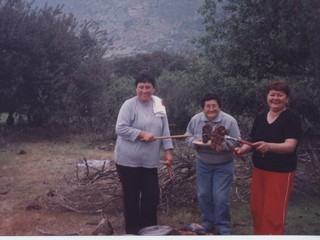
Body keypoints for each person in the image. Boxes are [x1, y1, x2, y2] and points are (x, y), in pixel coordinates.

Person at [234, 80, 302, 235]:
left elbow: (290, 146)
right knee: (257, 210)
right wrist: (243, 149)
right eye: (272, 94)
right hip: (260, 170)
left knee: (273, 215)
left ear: (287, 98)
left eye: (280, 95)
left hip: (281, 173)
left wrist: (269, 146)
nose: (275, 98)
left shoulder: (291, 118)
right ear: (267, 96)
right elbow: (252, 138)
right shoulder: (261, 116)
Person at [114, 70, 174, 235]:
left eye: (148, 87)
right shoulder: (129, 105)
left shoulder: (158, 103)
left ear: (153, 88)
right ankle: (133, 231)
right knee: (131, 198)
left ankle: (149, 231)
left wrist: (168, 151)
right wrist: (141, 134)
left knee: (151, 197)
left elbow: (165, 128)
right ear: (136, 88)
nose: (144, 91)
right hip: (127, 162)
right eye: (141, 87)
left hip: (150, 161)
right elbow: (120, 128)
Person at [185, 93, 241, 235]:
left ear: (219, 106)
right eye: (207, 106)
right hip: (203, 163)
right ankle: (208, 224)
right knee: (203, 194)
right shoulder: (196, 120)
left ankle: (223, 227)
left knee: (220, 196)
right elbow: (187, 137)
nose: (211, 109)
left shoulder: (229, 121)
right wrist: (194, 143)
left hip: (223, 164)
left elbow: (236, 142)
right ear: (203, 108)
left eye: (214, 106)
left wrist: (222, 146)